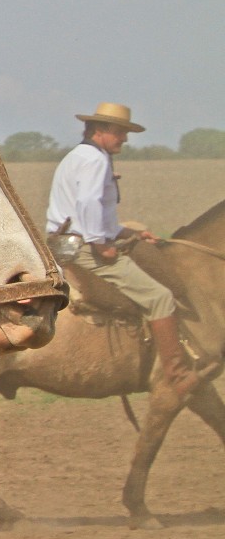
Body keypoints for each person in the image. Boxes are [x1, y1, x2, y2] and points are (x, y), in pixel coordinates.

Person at [47, 103, 198, 394]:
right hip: (83, 248)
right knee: (160, 298)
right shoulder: (95, 161)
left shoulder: (80, 156)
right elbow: (89, 205)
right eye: (120, 132)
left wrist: (131, 233)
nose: (125, 139)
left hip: (68, 241)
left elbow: (95, 212)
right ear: (100, 131)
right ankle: (176, 373)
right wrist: (101, 245)